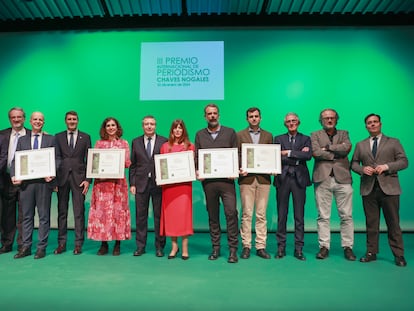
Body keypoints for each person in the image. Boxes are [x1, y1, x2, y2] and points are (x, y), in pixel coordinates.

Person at [351, 113, 408, 267]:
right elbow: (354, 163)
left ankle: (399, 255)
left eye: (375, 122)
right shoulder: (360, 145)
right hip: (368, 189)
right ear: (366, 126)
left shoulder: (394, 142)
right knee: (371, 223)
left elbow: (404, 161)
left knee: (393, 223)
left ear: (380, 124)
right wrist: (363, 169)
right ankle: (371, 252)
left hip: (389, 188)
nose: (373, 124)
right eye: (369, 123)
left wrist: (387, 166)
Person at [195, 103, 239, 263]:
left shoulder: (230, 132)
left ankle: (233, 250)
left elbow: (237, 153)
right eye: (209, 114)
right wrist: (197, 171)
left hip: (227, 182)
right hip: (209, 183)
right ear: (205, 116)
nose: (212, 116)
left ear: (218, 115)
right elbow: (197, 157)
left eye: (214, 113)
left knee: (231, 213)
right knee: (213, 216)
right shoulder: (200, 134)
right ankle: (216, 248)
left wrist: (235, 169)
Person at [311, 108, 356, 261]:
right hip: (322, 179)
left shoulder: (344, 133)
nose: (329, 120)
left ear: (336, 119)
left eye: (332, 118)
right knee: (323, 216)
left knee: (347, 216)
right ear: (321, 121)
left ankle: (348, 247)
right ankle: (324, 247)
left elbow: (347, 148)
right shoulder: (315, 134)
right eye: (326, 118)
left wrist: (328, 148)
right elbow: (316, 152)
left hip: (343, 179)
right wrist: (337, 151)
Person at [12, 111, 58, 259]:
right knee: (26, 216)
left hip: (44, 184)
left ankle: (41, 248)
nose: (38, 122)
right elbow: (15, 160)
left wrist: (52, 172)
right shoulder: (22, 140)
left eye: (40, 120)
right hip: (26, 184)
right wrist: (14, 175)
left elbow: (57, 159)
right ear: (30, 122)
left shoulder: (51, 138)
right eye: (35, 119)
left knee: (44, 216)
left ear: (43, 122)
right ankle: (26, 247)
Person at [87, 117, 131, 256]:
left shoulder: (124, 143)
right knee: (103, 214)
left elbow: (127, 163)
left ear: (117, 127)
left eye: (113, 125)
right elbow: (94, 164)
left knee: (118, 213)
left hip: (118, 186)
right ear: (104, 128)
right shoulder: (99, 144)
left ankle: (118, 244)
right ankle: (103, 244)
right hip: (102, 185)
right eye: (108, 125)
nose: (111, 127)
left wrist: (120, 161)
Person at [274, 112, 312, 261]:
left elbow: (308, 156)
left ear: (298, 122)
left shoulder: (306, 138)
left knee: (299, 216)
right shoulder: (278, 139)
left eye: (294, 121)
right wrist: (297, 155)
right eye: (289, 121)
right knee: (282, 215)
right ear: (285, 124)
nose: (291, 123)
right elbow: (275, 156)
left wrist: (288, 152)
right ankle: (281, 248)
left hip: (299, 180)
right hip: (283, 179)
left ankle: (298, 249)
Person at [237, 107, 272, 260]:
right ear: (247, 119)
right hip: (246, 179)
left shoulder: (268, 135)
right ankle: (246, 246)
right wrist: (240, 168)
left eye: (256, 116)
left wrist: (273, 167)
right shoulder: (239, 135)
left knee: (261, 214)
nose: (254, 119)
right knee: (246, 213)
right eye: (251, 116)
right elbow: (237, 155)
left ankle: (260, 246)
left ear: (260, 118)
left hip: (264, 179)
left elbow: (272, 156)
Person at [54, 111, 91, 255]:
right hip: (62, 179)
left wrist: (88, 180)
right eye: (69, 119)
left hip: (79, 180)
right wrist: (55, 180)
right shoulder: (58, 137)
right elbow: (55, 158)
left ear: (78, 121)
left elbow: (89, 159)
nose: (72, 121)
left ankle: (78, 244)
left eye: (74, 119)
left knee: (79, 212)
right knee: (62, 212)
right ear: (65, 121)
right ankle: (61, 243)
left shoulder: (85, 137)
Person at [130, 115, 167, 257]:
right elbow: (133, 165)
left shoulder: (164, 141)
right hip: (140, 184)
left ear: (155, 125)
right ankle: (140, 246)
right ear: (142, 126)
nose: (149, 126)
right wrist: (132, 183)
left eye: (152, 124)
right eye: (146, 124)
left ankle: (159, 246)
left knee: (159, 216)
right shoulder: (136, 142)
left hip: (159, 184)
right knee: (141, 216)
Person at [160, 119, 194, 260]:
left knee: (184, 217)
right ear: (172, 130)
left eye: (180, 128)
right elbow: (162, 168)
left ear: (183, 130)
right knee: (172, 217)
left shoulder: (190, 147)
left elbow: (192, 166)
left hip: (184, 187)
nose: (178, 130)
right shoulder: (165, 146)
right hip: (169, 187)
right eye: (175, 128)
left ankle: (185, 247)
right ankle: (174, 246)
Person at [0, 107, 29, 254]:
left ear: (24, 118)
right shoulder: (2, 134)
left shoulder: (33, 134)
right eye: (13, 117)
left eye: (19, 117)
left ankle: (23, 244)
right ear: (10, 119)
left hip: (27, 180)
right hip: (6, 179)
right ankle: (6, 243)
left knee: (25, 213)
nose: (16, 120)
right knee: (7, 213)